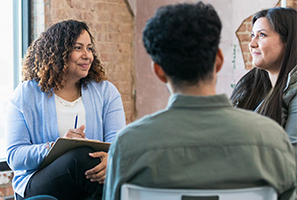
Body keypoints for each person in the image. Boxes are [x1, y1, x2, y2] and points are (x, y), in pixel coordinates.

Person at [103, 2, 296, 200]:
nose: (253, 42)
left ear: (159, 71)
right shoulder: (272, 141)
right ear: (219, 61)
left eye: (261, 35)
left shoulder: (127, 145)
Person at [6, 20, 126, 200]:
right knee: (81, 158)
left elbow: (118, 145)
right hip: (38, 183)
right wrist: (56, 147)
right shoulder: (25, 94)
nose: (88, 55)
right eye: (78, 48)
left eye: (90, 48)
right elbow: (15, 156)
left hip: (89, 181)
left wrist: (111, 161)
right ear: (57, 53)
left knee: (100, 168)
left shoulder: (106, 92)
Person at [231, 7, 297, 145]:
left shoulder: (293, 94)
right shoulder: (251, 87)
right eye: (252, 35)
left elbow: (291, 157)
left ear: (287, 42)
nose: (252, 44)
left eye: (262, 35)